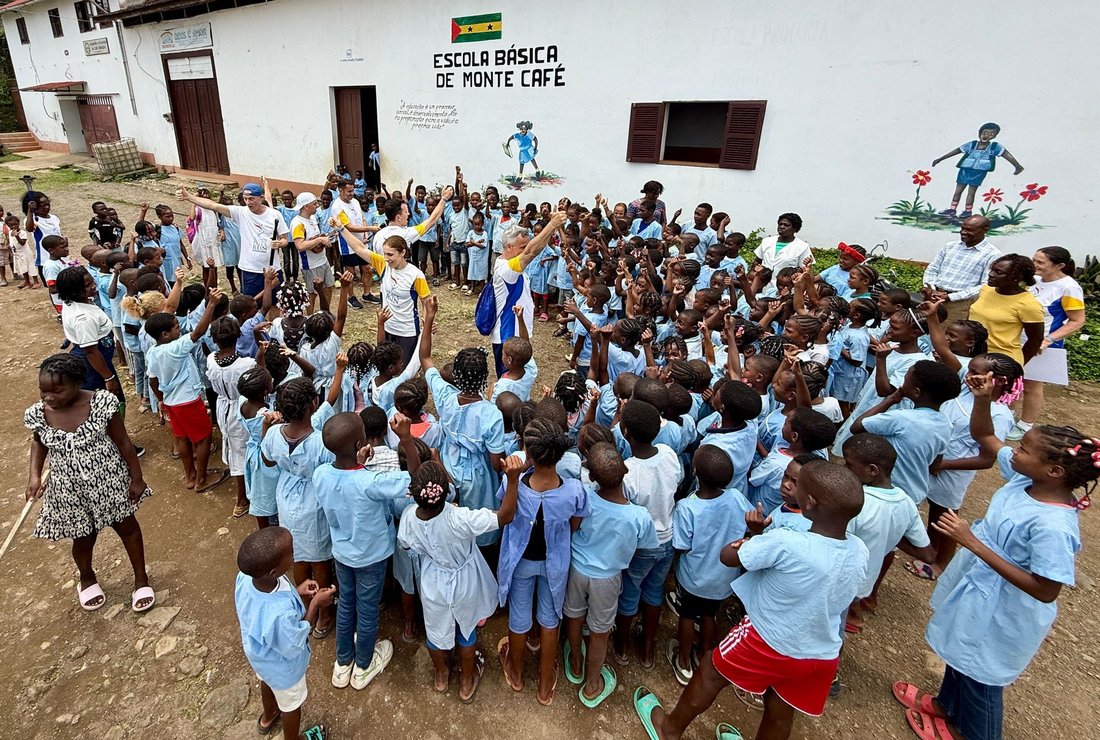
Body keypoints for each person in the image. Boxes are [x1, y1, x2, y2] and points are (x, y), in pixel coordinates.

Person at [893, 372, 1092, 740]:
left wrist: (972, 543)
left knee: (980, 677)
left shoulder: (1053, 525)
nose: (1014, 450)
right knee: (960, 651)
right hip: (981, 590)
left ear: (1054, 471)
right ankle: (946, 706)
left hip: (1003, 609)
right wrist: (983, 400)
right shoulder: (1025, 481)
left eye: (1023, 450)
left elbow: (1046, 589)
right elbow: (985, 437)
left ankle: (974, 732)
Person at [634, 460, 869, 740]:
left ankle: (669, 730)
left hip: (767, 639)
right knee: (781, 710)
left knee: (709, 671)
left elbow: (728, 556)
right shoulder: (859, 549)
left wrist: (753, 537)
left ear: (809, 502)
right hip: (820, 652)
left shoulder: (785, 541)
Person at [25, 353, 153, 612]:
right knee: (82, 537)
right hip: (69, 489)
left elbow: (123, 442)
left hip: (109, 481)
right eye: (43, 391)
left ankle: (141, 579)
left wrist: (137, 478)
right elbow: (39, 444)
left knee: (127, 528)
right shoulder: (40, 414)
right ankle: (87, 577)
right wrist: (34, 476)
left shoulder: (102, 403)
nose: (48, 397)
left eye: (57, 391)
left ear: (78, 383)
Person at [313, 412, 422, 691]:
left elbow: (345, 478)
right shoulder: (372, 482)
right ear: (359, 443)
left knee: (346, 603)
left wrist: (356, 461)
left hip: (342, 552)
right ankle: (363, 665)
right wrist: (406, 440)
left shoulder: (321, 474)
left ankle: (343, 663)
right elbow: (415, 477)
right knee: (367, 608)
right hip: (371, 556)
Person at [399, 458, 522, 702]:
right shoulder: (459, 518)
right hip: (464, 581)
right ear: (446, 491)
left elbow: (406, 545)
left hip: (433, 582)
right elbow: (505, 516)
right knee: (467, 629)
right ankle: (466, 682)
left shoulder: (408, 517)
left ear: (414, 494)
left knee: (435, 629)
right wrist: (513, 480)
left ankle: (441, 676)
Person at [497, 417, 590, 705]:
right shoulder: (574, 489)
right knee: (550, 620)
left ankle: (515, 673)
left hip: (521, 562)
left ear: (528, 453)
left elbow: (504, 514)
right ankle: (545, 682)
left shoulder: (513, 483)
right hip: (555, 564)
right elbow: (575, 523)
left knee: (519, 618)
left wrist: (514, 477)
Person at [564, 442, 657, 707]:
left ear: (592, 476)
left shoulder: (584, 496)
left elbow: (573, 527)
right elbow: (644, 547)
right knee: (599, 632)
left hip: (577, 569)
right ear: (625, 470)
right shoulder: (639, 516)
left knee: (574, 617)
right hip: (608, 578)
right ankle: (592, 684)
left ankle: (575, 662)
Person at [234, 526, 335, 739]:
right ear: (273, 572)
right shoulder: (279, 615)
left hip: (261, 655)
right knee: (291, 705)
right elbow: (294, 641)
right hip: (283, 667)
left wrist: (297, 592)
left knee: (266, 680)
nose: (294, 553)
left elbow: (267, 604)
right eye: (291, 552)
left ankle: (268, 715)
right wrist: (315, 604)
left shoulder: (245, 578)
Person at [145, 287, 227, 492]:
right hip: (188, 400)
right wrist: (211, 304)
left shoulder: (152, 352)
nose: (178, 329)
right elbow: (198, 332)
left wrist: (161, 399)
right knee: (203, 437)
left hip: (171, 401)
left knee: (182, 438)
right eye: (175, 327)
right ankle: (202, 479)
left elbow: (152, 380)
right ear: (165, 334)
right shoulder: (175, 347)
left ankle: (190, 476)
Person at [1010, 246, 1087, 441]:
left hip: (1042, 344)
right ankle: (1007, 415)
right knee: (1012, 378)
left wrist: (1047, 340)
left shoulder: (1069, 287)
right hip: (1018, 339)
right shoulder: (1034, 281)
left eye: (1040, 262)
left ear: (1059, 265)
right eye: (1034, 260)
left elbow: (1077, 321)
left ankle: (1025, 425)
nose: (1034, 265)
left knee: (1031, 384)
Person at [489, 211, 569, 376]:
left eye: (526, 245)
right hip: (507, 336)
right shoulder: (507, 269)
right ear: (509, 247)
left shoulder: (511, 265)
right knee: (509, 381)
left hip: (516, 333)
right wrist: (552, 224)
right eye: (522, 247)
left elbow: (534, 249)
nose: (525, 251)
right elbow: (531, 252)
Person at [178, 181, 289, 299]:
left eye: (251, 199)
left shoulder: (275, 215)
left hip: (272, 268)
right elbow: (212, 205)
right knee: (252, 303)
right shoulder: (241, 212)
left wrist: (279, 243)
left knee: (276, 303)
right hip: (250, 269)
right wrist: (189, 197)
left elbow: (284, 239)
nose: (248, 202)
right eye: (246, 199)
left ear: (261, 198)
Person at [338, 229, 430, 370]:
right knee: (385, 368)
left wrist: (427, 322)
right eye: (384, 254)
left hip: (407, 331)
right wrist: (341, 228)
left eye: (390, 254)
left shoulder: (415, 275)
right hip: (387, 327)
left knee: (403, 370)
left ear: (403, 252)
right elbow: (359, 248)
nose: (386, 258)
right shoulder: (383, 265)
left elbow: (426, 302)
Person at [206, 316, 256, 518]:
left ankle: (245, 492)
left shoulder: (212, 359)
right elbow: (257, 378)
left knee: (234, 446)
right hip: (239, 409)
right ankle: (242, 499)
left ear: (214, 339)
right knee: (241, 452)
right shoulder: (246, 364)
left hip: (223, 406)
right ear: (238, 335)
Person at [56, 266, 125, 401]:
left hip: (99, 361)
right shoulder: (83, 318)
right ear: (73, 291)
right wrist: (108, 378)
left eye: (92, 281)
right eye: (87, 285)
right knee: (107, 402)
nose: (94, 286)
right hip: (93, 366)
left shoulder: (73, 301)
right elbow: (91, 351)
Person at [932, 122, 1025, 219]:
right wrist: (940, 159)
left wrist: (1017, 166)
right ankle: (952, 209)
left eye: (991, 134)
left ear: (995, 136)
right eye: (985, 133)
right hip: (965, 170)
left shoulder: (995, 147)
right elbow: (957, 150)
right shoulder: (972, 144)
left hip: (979, 172)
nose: (987, 135)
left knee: (971, 192)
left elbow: (1006, 154)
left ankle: (967, 211)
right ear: (979, 133)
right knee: (958, 191)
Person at [967, 254, 1045, 367]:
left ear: (1016, 278)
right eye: (992, 270)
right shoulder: (986, 289)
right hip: (973, 355)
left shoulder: (1028, 304)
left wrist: (1015, 366)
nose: (991, 274)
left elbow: (1035, 340)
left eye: (998, 272)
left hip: (1001, 361)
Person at [921, 215, 1000, 322]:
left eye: (969, 230)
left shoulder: (992, 254)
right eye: (962, 228)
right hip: (932, 297)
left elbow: (985, 285)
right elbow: (932, 269)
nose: (963, 232)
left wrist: (951, 297)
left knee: (947, 332)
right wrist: (932, 289)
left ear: (984, 230)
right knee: (923, 328)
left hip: (958, 304)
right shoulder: (950, 246)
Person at [331, 178, 378, 308]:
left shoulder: (356, 202)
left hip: (361, 242)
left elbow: (362, 218)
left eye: (352, 191)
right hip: (348, 244)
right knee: (350, 272)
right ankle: (351, 297)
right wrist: (370, 228)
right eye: (349, 191)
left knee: (367, 269)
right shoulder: (337, 207)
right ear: (341, 190)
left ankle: (367, 294)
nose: (352, 194)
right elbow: (349, 227)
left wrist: (366, 234)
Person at [752, 213, 813, 293]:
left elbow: (805, 271)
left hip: (784, 290)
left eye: (786, 225)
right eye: (780, 224)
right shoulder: (767, 241)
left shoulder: (802, 246)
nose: (782, 227)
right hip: (761, 287)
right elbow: (757, 261)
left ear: (795, 228)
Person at [189, 186, 222, 287]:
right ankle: (207, 289)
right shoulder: (198, 209)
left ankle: (214, 287)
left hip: (213, 241)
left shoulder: (213, 209)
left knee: (214, 267)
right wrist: (193, 201)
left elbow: (218, 223)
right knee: (205, 267)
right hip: (203, 241)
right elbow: (192, 217)